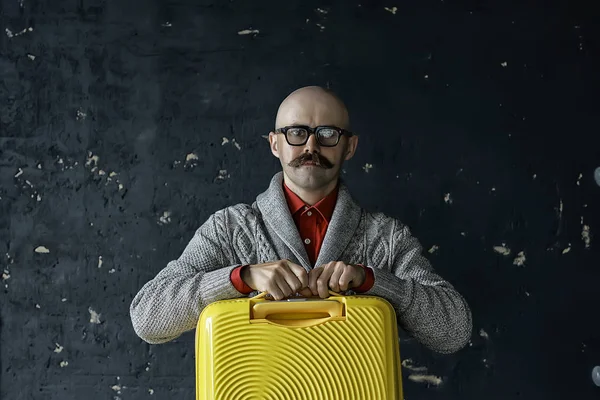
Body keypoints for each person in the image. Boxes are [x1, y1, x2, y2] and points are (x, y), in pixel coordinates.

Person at [130, 86, 472, 354]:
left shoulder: (387, 236)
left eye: (327, 134)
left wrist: (372, 282)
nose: (311, 145)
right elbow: (147, 316)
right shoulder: (229, 228)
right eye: (296, 132)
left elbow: (454, 331)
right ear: (275, 144)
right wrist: (242, 278)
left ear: (349, 147)